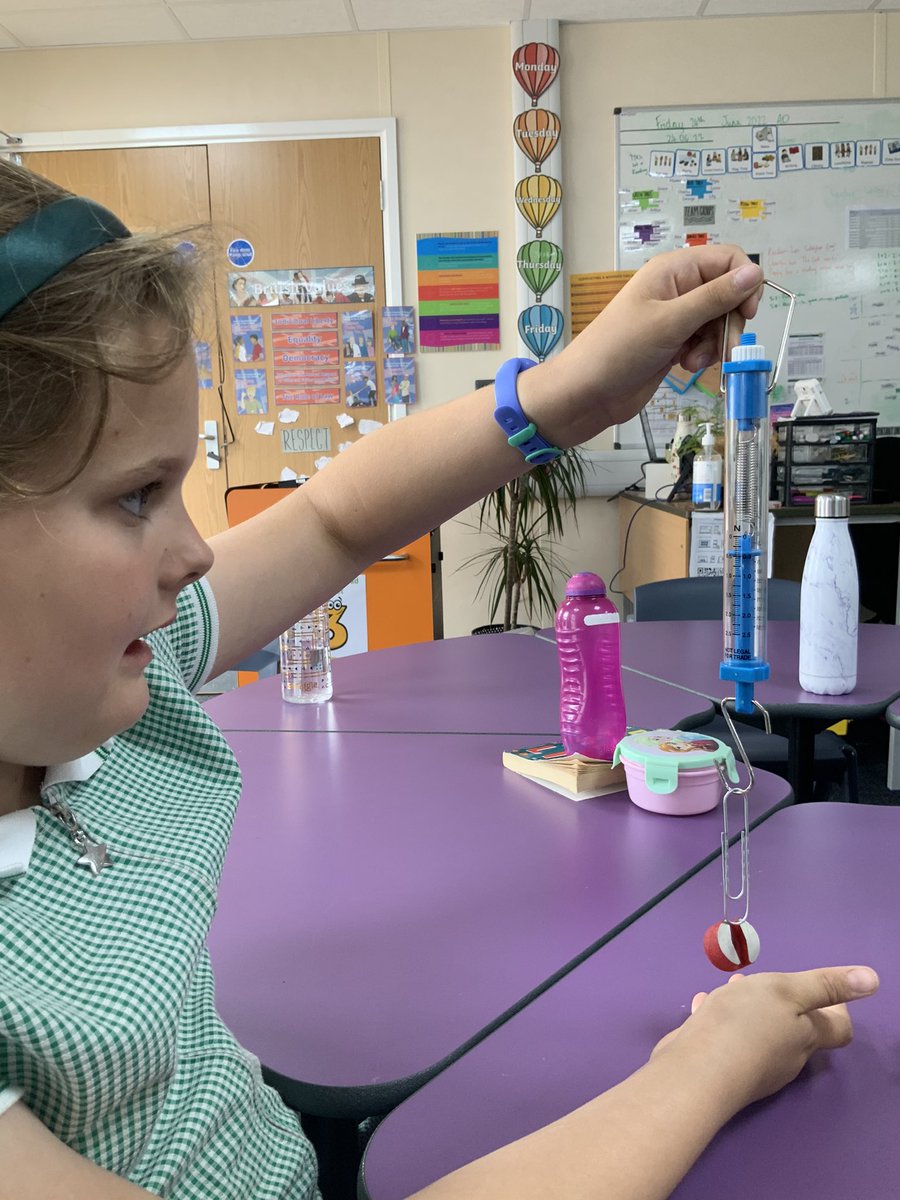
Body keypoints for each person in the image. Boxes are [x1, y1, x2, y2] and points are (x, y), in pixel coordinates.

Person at [0, 158, 878, 1200]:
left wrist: (571, 390)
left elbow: (337, 518)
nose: (197, 553)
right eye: (137, 496)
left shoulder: (100, 688)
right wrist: (707, 1067)